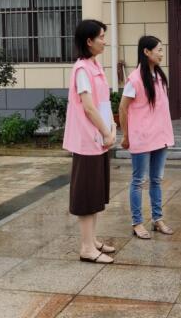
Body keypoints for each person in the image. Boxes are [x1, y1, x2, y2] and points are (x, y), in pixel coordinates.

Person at [63, 19, 116, 263]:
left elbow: (103, 103)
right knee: (86, 195)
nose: (105, 41)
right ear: (89, 41)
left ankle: (92, 240)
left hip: (99, 140)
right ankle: (86, 248)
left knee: (95, 192)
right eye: (101, 37)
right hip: (88, 140)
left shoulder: (95, 65)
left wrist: (111, 128)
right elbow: (89, 107)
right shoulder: (82, 69)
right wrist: (106, 132)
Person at [119, 35, 175, 239]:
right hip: (142, 138)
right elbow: (123, 108)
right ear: (146, 52)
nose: (161, 54)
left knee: (156, 180)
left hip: (160, 136)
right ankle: (137, 222)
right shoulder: (135, 79)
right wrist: (125, 135)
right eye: (159, 50)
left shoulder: (159, 76)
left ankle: (157, 219)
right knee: (138, 181)